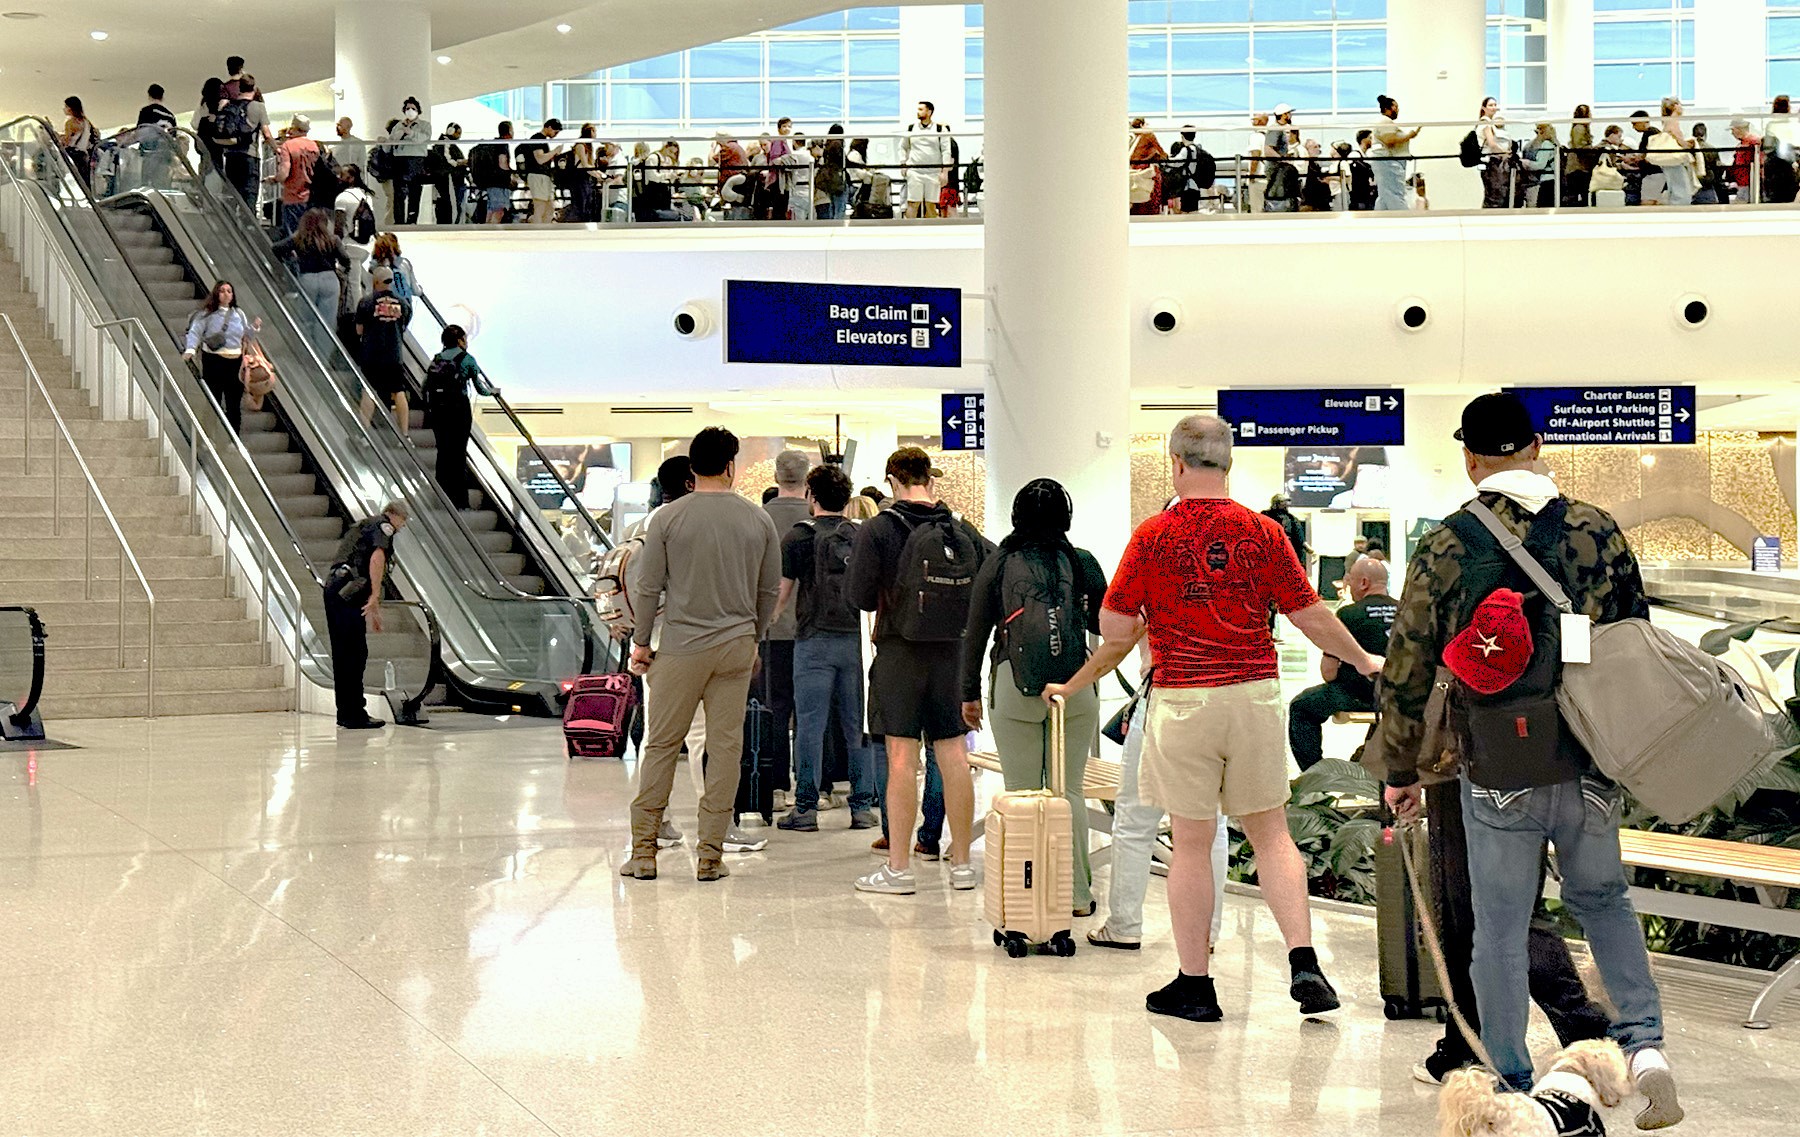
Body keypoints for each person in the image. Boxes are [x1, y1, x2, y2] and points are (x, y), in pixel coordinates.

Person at [1374, 393, 1680, 1128]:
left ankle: (1510, 1083)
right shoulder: (1595, 528)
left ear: (1470, 458)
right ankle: (1644, 1047)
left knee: (1501, 924)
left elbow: (1408, 664)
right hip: (1591, 756)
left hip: (1499, 766)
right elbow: (1636, 640)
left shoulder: (1448, 543)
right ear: (1537, 445)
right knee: (1604, 900)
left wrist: (1399, 769)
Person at [1043, 415, 1380, 1023]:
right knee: (1272, 834)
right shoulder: (1264, 532)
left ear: (1174, 463)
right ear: (1228, 466)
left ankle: (1195, 986)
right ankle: (1304, 961)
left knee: (1192, 844)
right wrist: (1364, 659)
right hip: (1254, 695)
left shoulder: (1151, 537)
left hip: (1184, 700)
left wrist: (1078, 677)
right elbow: (1310, 614)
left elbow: (1117, 633)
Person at [622, 428, 781, 884]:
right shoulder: (758, 520)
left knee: (661, 746)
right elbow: (768, 589)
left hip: (681, 647)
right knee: (725, 747)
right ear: (730, 466)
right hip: (735, 647)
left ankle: (645, 853)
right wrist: (754, 636)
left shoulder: (667, 519)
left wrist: (641, 642)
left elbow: (649, 586)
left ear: (692, 468)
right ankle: (710, 855)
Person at [960, 479, 1109, 916]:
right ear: (1066, 517)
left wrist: (968, 693)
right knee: (1071, 794)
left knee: (1022, 795)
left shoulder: (1000, 562)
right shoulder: (1082, 562)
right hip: (1076, 691)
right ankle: (1078, 896)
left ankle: (1030, 897)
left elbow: (976, 632)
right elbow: (1112, 624)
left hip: (1014, 687)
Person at [850, 447, 991, 895]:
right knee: (954, 757)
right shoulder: (961, 527)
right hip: (953, 652)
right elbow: (988, 579)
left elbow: (860, 598)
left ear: (892, 480)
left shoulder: (878, 528)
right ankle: (964, 865)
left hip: (899, 653)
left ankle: (898, 869)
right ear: (930, 479)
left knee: (901, 760)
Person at [773, 462, 880, 832]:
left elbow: (781, 598)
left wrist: (762, 625)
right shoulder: (861, 535)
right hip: (854, 642)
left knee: (809, 728)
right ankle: (862, 808)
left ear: (810, 495)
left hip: (813, 642)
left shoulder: (798, 537)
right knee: (856, 727)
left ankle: (805, 809)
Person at [1286, 559, 1395, 772]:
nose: (1349, 586)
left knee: (1302, 707)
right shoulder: (1407, 612)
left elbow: (1329, 672)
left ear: (1363, 583)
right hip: (1401, 697)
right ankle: (1365, 759)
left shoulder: (1348, 614)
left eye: (1350, 580)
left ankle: (1314, 777)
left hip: (1357, 695)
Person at [323, 501, 409, 730]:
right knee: (355, 653)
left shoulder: (363, 525)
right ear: (393, 515)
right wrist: (375, 596)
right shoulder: (383, 526)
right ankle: (354, 713)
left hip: (336, 588)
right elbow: (377, 557)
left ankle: (346, 712)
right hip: (349, 589)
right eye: (403, 521)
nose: (402, 527)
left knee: (343, 654)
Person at [760, 451, 813, 809]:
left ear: (776, 477)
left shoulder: (758, 518)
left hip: (771, 629)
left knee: (775, 707)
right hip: (813, 628)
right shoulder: (816, 518)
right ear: (808, 479)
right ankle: (814, 787)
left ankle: (777, 785)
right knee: (811, 710)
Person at [422, 323, 495, 508]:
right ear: (461, 340)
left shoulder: (437, 359)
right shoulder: (467, 359)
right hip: (458, 410)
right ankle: (460, 501)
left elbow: (425, 386)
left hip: (439, 410)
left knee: (443, 451)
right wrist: (493, 392)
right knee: (458, 453)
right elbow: (480, 389)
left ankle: (441, 497)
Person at [182, 281, 260, 433]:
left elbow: (245, 336)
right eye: (222, 291)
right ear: (216, 293)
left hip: (234, 362)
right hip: (214, 360)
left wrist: (254, 328)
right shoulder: (207, 314)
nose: (226, 294)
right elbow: (195, 331)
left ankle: (233, 437)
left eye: (229, 291)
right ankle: (208, 434)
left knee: (234, 402)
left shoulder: (238, 313)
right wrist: (190, 349)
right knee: (213, 400)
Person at [355, 266, 413, 436]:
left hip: (372, 355)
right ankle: (404, 434)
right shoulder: (403, 303)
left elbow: (359, 330)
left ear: (376, 281)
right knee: (398, 391)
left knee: (369, 390)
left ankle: (363, 433)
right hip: (394, 355)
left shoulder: (366, 302)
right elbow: (403, 327)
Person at [272, 207, 350, 325]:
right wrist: (343, 269)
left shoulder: (299, 238)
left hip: (307, 279)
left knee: (306, 320)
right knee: (327, 322)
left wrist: (290, 258)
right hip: (329, 279)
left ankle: (306, 342)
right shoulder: (333, 239)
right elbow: (346, 259)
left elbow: (276, 248)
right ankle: (325, 343)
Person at [216, 75, 272, 208]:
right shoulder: (258, 107)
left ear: (239, 88)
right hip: (249, 156)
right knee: (249, 197)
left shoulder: (229, 105)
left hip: (230, 155)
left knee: (231, 196)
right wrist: (278, 149)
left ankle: (229, 226)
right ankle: (247, 227)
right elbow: (267, 134)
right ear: (254, 87)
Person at [902, 101, 953, 219]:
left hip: (933, 172)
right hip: (915, 171)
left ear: (929, 112)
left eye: (921, 109)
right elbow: (903, 147)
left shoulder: (940, 129)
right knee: (913, 203)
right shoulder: (911, 128)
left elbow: (946, 151)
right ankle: (909, 231)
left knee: (931, 205)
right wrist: (903, 163)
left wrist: (944, 172)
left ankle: (931, 232)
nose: (918, 112)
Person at [273, 115, 321, 235]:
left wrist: (274, 179)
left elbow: (284, 173)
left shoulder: (288, 145)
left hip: (292, 197)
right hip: (310, 198)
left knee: (293, 237)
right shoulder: (314, 146)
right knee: (309, 235)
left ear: (294, 127)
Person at [1372, 95, 1419, 211]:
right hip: (1388, 163)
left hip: (1386, 162)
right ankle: (1404, 219)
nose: (1397, 110)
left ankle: (1378, 218)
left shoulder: (1386, 122)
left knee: (1384, 195)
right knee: (1395, 193)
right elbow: (1389, 139)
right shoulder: (1385, 121)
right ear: (1390, 108)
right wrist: (1409, 136)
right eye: (1396, 107)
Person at [133, 84, 178, 189]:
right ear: (162, 96)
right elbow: (174, 136)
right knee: (163, 184)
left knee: (147, 184)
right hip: (165, 155)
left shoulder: (146, 111)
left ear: (149, 96)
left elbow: (140, 133)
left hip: (149, 153)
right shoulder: (170, 116)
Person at [469, 121, 515, 224]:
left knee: (491, 211)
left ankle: (487, 231)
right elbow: (502, 162)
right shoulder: (502, 145)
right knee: (499, 211)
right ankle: (493, 232)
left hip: (490, 183)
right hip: (499, 182)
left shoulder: (494, 143)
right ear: (509, 131)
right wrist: (510, 174)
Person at [520, 119, 564, 223]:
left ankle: (542, 228)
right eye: (555, 131)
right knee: (541, 207)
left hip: (542, 176)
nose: (556, 134)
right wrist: (555, 151)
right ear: (548, 127)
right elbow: (540, 159)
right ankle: (538, 230)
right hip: (538, 176)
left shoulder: (541, 139)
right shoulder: (538, 138)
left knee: (548, 208)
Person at [1260, 104, 1297, 213]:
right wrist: (1282, 159)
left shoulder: (1279, 129)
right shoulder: (1276, 129)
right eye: (1288, 113)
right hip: (1276, 169)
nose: (1290, 116)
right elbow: (1268, 150)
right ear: (1284, 115)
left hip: (1278, 168)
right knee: (1277, 192)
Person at [1478, 97, 1514, 209]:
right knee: (1494, 194)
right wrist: (1505, 153)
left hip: (1490, 162)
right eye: (1490, 105)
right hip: (1490, 162)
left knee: (1492, 193)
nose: (1494, 108)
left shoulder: (1490, 122)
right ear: (1484, 108)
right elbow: (1492, 144)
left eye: (1495, 105)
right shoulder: (1486, 123)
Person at [428, 123, 467, 225]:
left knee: (452, 204)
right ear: (451, 131)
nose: (459, 136)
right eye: (458, 133)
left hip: (453, 178)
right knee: (452, 205)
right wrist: (461, 162)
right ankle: (451, 225)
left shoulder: (448, 144)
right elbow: (448, 160)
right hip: (450, 178)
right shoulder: (445, 143)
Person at [1129, 118, 1168, 216]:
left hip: (1133, 169)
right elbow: (1162, 153)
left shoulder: (1133, 136)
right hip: (1146, 170)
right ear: (1142, 125)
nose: (1148, 124)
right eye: (1146, 123)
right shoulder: (1148, 134)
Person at [368, 232, 417, 301]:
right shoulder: (404, 263)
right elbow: (416, 290)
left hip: (381, 305)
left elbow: (369, 289)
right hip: (403, 305)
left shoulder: (374, 267)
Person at [60, 96, 97, 187]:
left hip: (73, 154)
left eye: (66, 106)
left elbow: (67, 141)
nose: (64, 109)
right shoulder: (85, 121)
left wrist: (59, 137)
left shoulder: (70, 122)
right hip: (84, 154)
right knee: (85, 181)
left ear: (70, 108)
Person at [1521, 121, 1559, 209]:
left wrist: (1526, 163)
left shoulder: (1546, 144)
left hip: (1547, 181)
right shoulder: (1554, 144)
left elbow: (1540, 165)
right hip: (1552, 180)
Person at [816, 125, 850, 220]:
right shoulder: (837, 144)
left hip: (829, 179)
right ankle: (838, 226)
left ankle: (832, 225)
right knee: (840, 206)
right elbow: (843, 161)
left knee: (832, 205)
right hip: (837, 179)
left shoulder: (828, 145)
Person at [1564, 104, 1596, 207]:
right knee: (1579, 193)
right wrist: (1594, 149)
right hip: (1578, 167)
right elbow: (1580, 147)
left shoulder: (1579, 127)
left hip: (1579, 167)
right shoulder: (1579, 128)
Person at [1691, 121, 1722, 205]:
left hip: (1692, 184)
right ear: (1705, 134)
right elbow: (1718, 168)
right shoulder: (1711, 148)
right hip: (1707, 184)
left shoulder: (1689, 148)